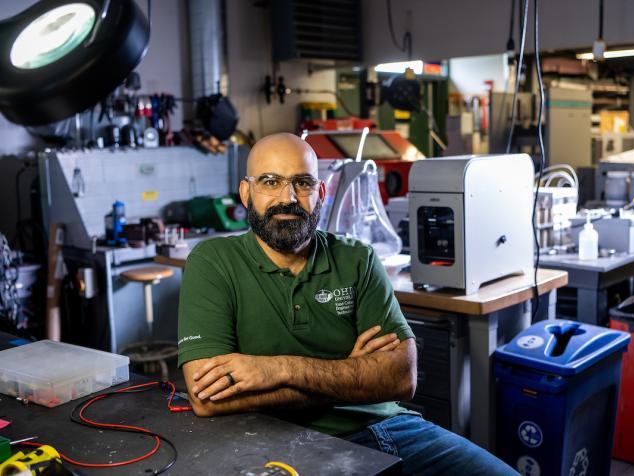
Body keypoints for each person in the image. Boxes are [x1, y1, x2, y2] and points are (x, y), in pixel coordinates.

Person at [178, 133, 517, 475]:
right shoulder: (214, 262)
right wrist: (350, 375)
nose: (289, 197)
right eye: (270, 181)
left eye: (303, 182)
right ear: (246, 192)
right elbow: (207, 399)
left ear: (321, 193)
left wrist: (276, 369)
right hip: (275, 441)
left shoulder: (357, 258)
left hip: (388, 427)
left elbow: (401, 377)